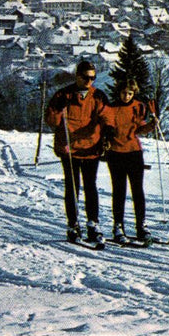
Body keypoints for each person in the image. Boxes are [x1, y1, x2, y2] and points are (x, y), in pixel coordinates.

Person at [45, 59, 109, 245]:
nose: (89, 81)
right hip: (69, 149)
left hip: (90, 148)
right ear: (77, 76)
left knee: (90, 186)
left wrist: (107, 136)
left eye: (93, 78)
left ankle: (93, 223)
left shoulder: (99, 96)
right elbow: (52, 121)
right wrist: (58, 109)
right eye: (86, 77)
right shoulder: (63, 95)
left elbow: (107, 119)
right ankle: (73, 224)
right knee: (72, 187)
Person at [100, 79, 156, 244]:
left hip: (134, 152)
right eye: (124, 93)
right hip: (116, 153)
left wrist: (152, 125)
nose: (126, 96)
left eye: (130, 93)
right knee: (119, 191)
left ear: (134, 93)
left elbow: (140, 129)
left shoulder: (138, 107)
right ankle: (118, 226)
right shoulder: (111, 108)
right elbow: (108, 124)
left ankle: (141, 226)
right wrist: (107, 136)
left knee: (137, 191)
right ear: (119, 92)